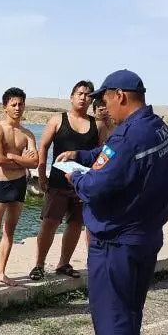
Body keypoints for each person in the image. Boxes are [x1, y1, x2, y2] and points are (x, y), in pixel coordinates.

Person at [56, 69, 168, 335]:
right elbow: (111, 158)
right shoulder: (157, 129)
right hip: (146, 236)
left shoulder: (129, 138)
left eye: (106, 99)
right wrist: (81, 156)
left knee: (111, 309)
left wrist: (76, 178)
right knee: (130, 307)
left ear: (120, 95)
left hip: (116, 241)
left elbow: (98, 184)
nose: (104, 107)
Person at [30, 80, 99, 281]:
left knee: (76, 224)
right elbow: (43, 147)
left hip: (81, 185)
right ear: (71, 97)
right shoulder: (57, 120)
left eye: (87, 95)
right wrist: (42, 176)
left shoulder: (96, 125)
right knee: (49, 223)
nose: (83, 97)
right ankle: (39, 264)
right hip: (57, 184)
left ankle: (63, 263)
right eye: (80, 93)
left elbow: (101, 154)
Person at [0, 87, 38, 293]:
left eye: (21, 104)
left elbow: (35, 162)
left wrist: (12, 157)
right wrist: (20, 160)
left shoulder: (27, 134)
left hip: (19, 185)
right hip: (1, 185)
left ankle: (0, 272)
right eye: (14, 104)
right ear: (5, 107)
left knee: (9, 232)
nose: (18, 108)